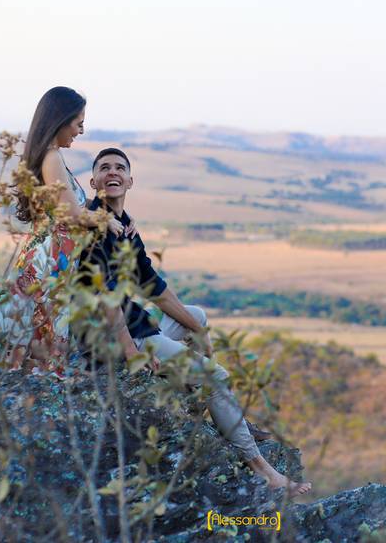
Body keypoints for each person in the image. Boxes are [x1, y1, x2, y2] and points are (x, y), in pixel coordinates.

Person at [78, 147, 312, 496]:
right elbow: (105, 296)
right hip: (114, 335)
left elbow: (153, 287)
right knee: (215, 376)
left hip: (134, 322)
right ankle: (263, 470)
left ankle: (214, 406)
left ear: (130, 180)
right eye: (104, 168)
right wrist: (131, 353)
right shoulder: (95, 226)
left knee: (196, 316)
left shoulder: (124, 226)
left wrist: (199, 331)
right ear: (93, 181)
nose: (113, 172)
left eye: (120, 168)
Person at [0, 87, 131, 377]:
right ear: (61, 119)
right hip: (49, 258)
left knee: (36, 322)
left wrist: (120, 214)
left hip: (55, 258)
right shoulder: (51, 158)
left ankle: (31, 381)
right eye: (78, 123)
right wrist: (105, 220)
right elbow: (70, 214)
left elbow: (74, 204)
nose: (81, 131)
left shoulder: (52, 156)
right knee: (35, 320)